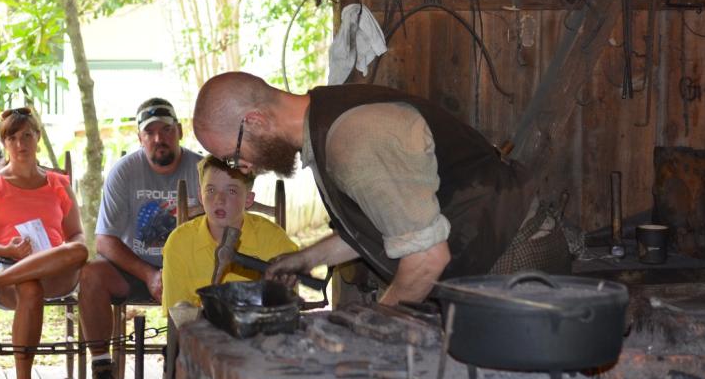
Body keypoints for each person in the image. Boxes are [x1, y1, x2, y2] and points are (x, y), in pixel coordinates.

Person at [191, 72, 570, 306]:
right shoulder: (323, 121)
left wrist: (384, 318)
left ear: (255, 121)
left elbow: (426, 257)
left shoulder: (354, 140)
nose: (239, 167)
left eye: (232, 155)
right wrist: (304, 259)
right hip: (481, 256)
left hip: (513, 254)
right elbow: (387, 227)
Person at [0, 107, 89, 379]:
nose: (21, 144)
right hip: (3, 264)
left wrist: (59, 253)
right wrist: (8, 249)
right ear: (4, 143)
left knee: (81, 251)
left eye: (27, 136)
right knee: (29, 287)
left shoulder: (58, 184)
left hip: (51, 267)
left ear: (38, 137)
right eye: (13, 137)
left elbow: (77, 235)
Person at [78, 97, 201, 379]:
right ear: (140, 138)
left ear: (180, 131)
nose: (159, 138)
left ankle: (183, 364)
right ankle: (102, 367)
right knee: (91, 274)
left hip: (188, 268)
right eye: (150, 132)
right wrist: (149, 275)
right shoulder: (124, 171)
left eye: (167, 130)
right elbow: (105, 240)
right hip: (134, 269)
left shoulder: (202, 169)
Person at [161, 156, 299, 315]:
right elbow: (176, 316)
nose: (219, 200)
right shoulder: (179, 242)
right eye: (211, 190)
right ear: (200, 196)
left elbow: (288, 309)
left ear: (248, 199)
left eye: (231, 191)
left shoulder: (274, 240)